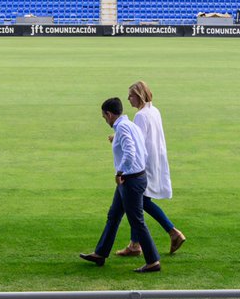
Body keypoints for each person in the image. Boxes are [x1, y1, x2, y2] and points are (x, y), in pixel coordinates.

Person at [80, 97, 162, 273]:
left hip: (129, 180)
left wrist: (120, 173)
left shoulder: (123, 127)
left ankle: (153, 261)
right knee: (114, 215)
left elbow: (130, 151)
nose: (105, 121)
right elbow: (143, 151)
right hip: (136, 177)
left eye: (104, 117)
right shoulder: (130, 125)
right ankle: (100, 253)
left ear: (109, 114)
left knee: (137, 221)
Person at [116, 81, 186, 258]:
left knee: (140, 203)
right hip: (156, 160)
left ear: (138, 96)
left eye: (131, 95)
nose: (128, 99)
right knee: (137, 203)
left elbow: (136, 142)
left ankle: (172, 231)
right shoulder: (154, 111)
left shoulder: (140, 116)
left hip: (143, 165)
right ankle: (135, 244)